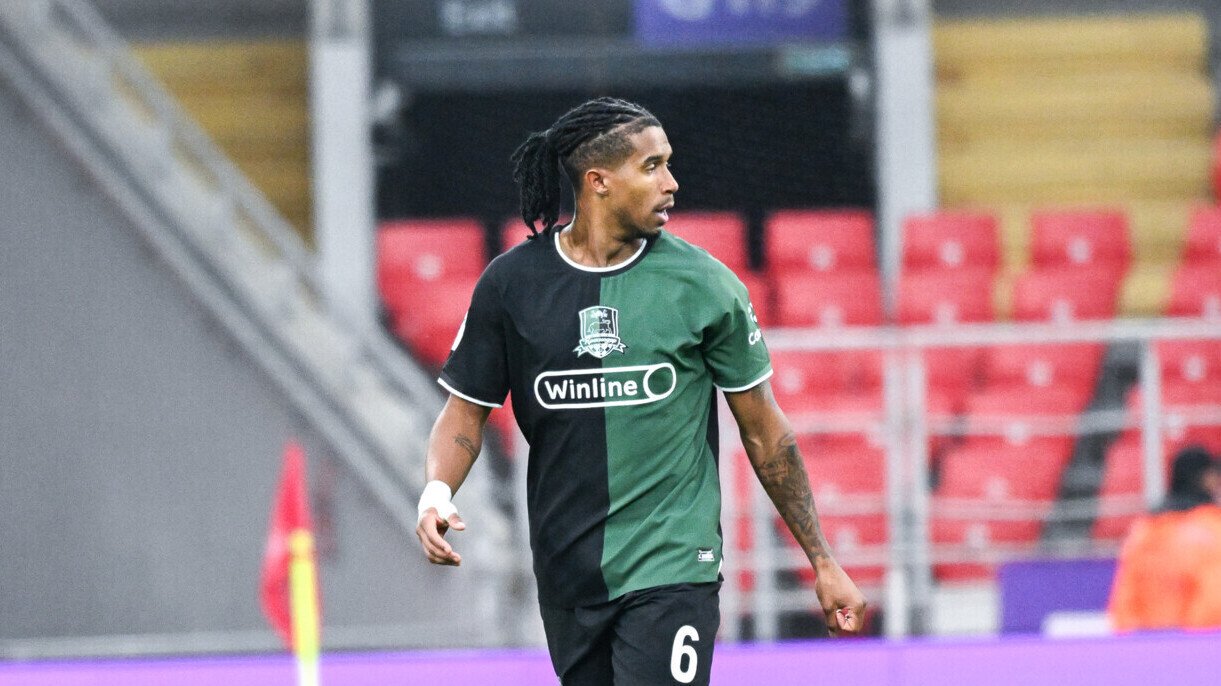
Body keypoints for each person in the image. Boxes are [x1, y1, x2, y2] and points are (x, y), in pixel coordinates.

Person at [415, 97, 866, 684]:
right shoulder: (511, 286)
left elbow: (766, 432)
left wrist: (822, 560)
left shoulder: (704, 285)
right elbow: (464, 414)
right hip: (567, 575)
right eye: (652, 166)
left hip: (673, 568)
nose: (671, 183)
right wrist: (437, 492)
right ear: (598, 181)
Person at [1108, 445, 1221, 631]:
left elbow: (1125, 593)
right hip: (1194, 640)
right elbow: (1213, 598)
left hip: (1145, 640)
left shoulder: (1145, 528)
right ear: (1207, 478)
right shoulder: (1213, 528)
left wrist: (1128, 638)